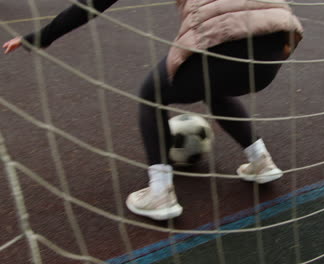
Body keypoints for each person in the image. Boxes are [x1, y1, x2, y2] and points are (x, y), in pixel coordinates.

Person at [3, 0, 303, 221]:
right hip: (277, 44)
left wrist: (39, 37)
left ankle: (160, 192)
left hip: (227, 39)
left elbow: (90, 4)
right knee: (213, 87)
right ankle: (259, 160)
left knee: (152, 95)